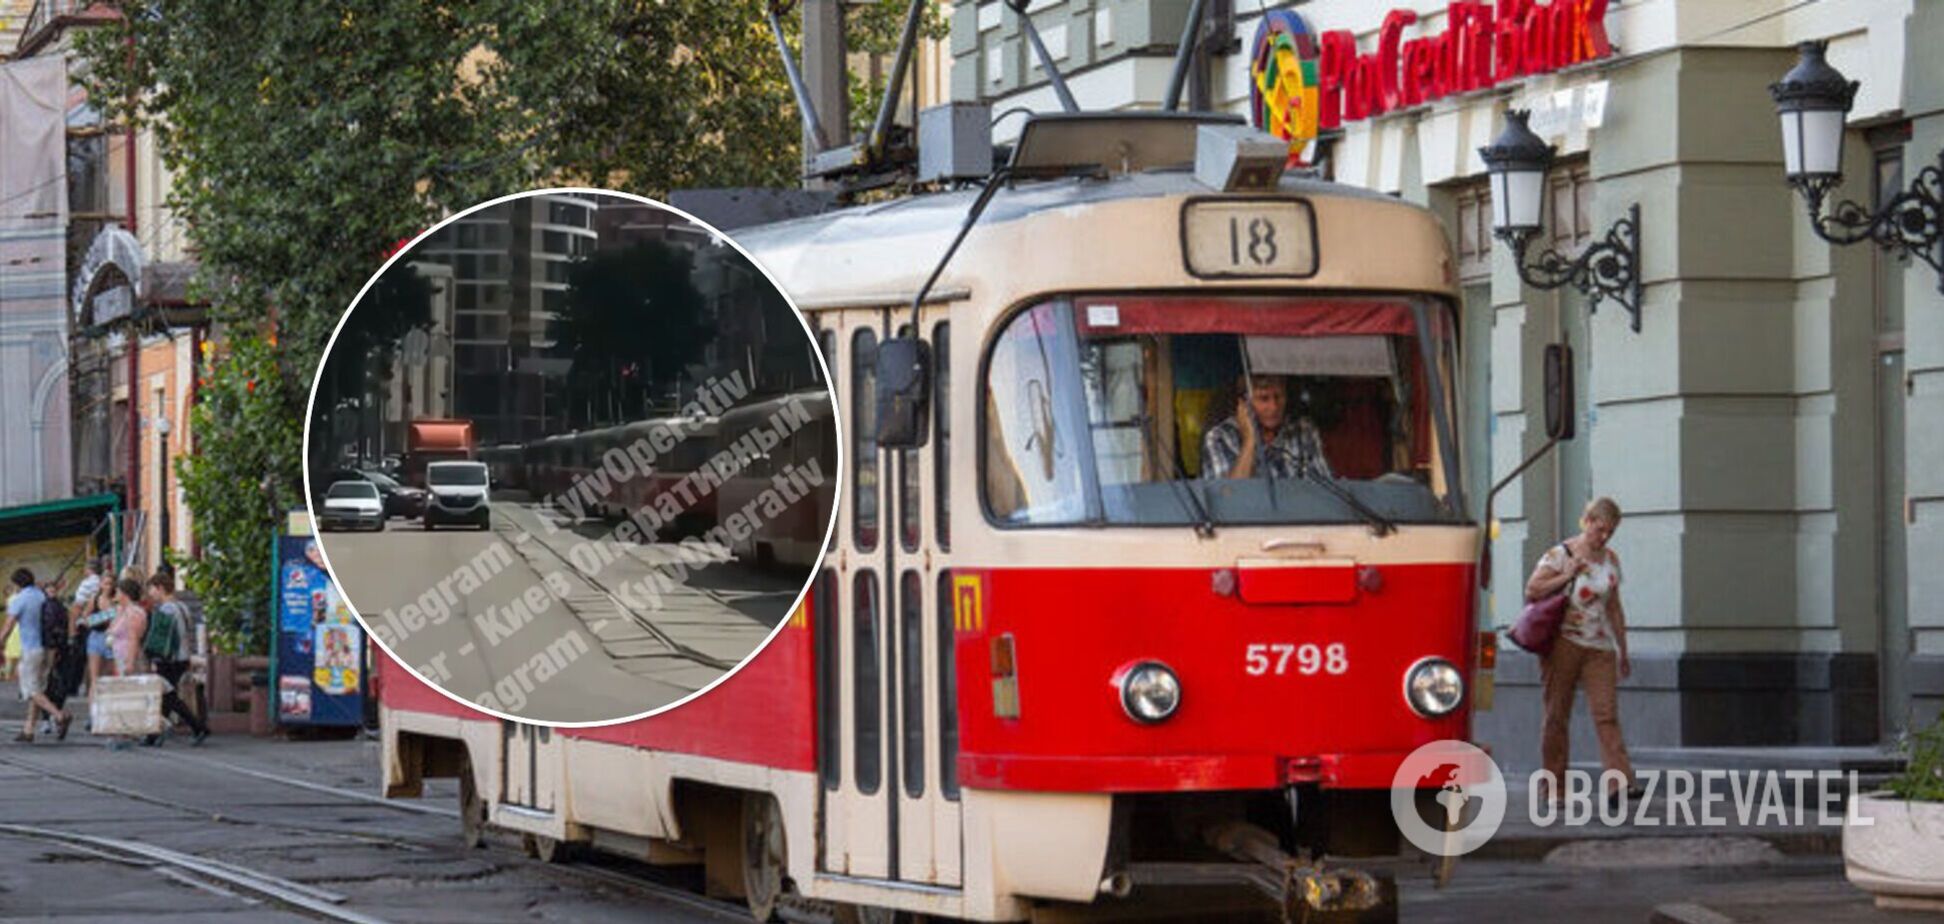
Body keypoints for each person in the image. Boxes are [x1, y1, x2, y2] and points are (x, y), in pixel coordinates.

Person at [1526, 497, 1637, 804]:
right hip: (1564, 643)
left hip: (1600, 646)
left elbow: (1614, 607)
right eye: (1600, 529)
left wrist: (1623, 649)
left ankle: (1620, 783)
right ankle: (1554, 786)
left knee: (1606, 714)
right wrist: (1567, 574)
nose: (1603, 537)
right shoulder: (1561, 553)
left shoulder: (1611, 559)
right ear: (1587, 521)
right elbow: (1533, 589)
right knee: (1557, 715)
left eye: (1610, 532)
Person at [1200, 373, 1332, 480]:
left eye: (1279, 397)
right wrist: (1250, 441)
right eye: (1264, 398)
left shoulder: (1304, 430)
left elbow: (1325, 491)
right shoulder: (1219, 437)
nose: (1274, 407)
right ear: (1244, 403)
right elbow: (1228, 501)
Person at [0, 569, 71, 742]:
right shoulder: (41, 596)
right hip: (48, 649)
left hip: (31, 649)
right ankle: (28, 730)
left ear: (17, 584)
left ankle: (59, 716)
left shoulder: (19, 599)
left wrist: (1, 641)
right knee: (38, 689)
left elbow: (9, 625)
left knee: (32, 691)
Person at [144, 573, 209, 745]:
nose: (150, 594)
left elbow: (160, 639)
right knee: (167, 695)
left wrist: (153, 657)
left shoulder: (166, 610)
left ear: (160, 588)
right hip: (182, 657)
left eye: (152, 589)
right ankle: (154, 734)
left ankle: (198, 727)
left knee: (169, 696)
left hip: (168, 659)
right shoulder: (182, 607)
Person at [108, 578, 149, 679]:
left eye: (118, 591)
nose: (115, 594)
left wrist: (130, 663)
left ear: (124, 594)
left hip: (127, 656)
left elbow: (133, 638)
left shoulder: (133, 612)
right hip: (119, 655)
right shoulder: (121, 610)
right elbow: (94, 620)